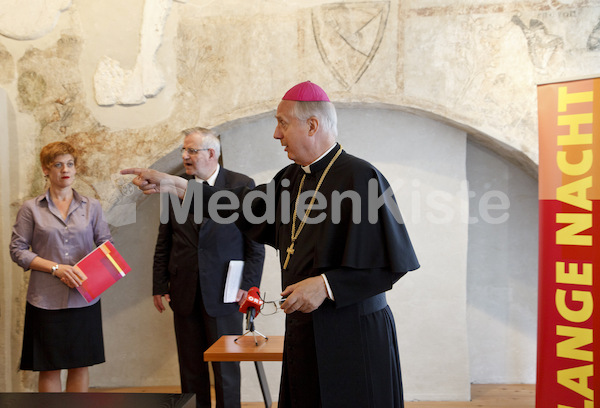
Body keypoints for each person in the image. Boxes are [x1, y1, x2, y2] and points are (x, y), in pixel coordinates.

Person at [122, 81, 420, 408]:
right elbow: (235, 203)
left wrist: (325, 285)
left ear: (312, 125)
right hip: (304, 333)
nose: (276, 135)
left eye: (282, 123)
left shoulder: (362, 178)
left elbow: (392, 264)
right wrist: (175, 184)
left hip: (353, 338)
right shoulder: (290, 179)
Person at [152, 127, 265, 408]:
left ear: (211, 153)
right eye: (184, 150)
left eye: (191, 150)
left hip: (226, 293)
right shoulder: (174, 186)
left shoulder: (241, 184)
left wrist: (249, 286)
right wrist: (158, 284)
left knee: (226, 368)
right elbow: (164, 239)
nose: (184, 156)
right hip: (183, 290)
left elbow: (256, 244)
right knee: (191, 369)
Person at [10, 141, 112, 392]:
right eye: (58, 165)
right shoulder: (30, 208)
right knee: (50, 366)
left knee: (80, 365)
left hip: (84, 297)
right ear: (46, 169)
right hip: (45, 299)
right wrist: (57, 268)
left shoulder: (93, 207)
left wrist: (87, 271)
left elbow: (106, 247)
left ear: (76, 169)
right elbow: (17, 251)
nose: (65, 170)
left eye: (69, 164)